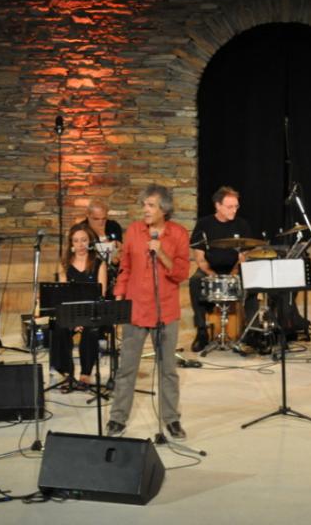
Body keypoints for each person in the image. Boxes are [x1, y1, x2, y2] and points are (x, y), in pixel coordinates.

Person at [106, 185, 190, 440]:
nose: (145, 209)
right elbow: (126, 267)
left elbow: (181, 273)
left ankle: (171, 419)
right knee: (126, 368)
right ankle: (117, 418)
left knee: (168, 370)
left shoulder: (179, 233)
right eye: (144, 205)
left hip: (165, 311)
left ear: (164, 209)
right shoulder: (133, 230)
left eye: (151, 205)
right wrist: (119, 296)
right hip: (135, 310)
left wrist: (160, 251)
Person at [189, 186, 253, 352]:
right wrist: (212, 274)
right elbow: (199, 258)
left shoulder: (242, 224)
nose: (234, 210)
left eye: (236, 206)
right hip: (211, 268)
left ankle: (251, 331)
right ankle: (201, 331)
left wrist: (234, 273)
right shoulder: (204, 224)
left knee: (252, 283)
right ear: (218, 206)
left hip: (234, 269)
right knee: (195, 281)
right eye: (230, 207)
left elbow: (244, 255)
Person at [50, 224, 107, 389]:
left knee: (91, 329)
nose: (80, 245)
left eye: (84, 240)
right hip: (71, 312)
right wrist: (74, 319)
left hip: (93, 312)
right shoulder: (64, 264)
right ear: (71, 243)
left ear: (90, 241)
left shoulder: (99, 264)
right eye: (76, 241)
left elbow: (101, 294)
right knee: (58, 327)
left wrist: (84, 319)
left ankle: (85, 373)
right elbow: (63, 296)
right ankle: (65, 372)